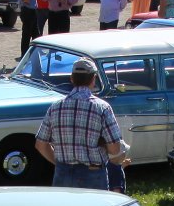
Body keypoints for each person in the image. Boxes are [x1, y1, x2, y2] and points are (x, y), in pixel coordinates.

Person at [34, 57, 123, 189]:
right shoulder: (102, 108)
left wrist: (60, 164)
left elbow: (40, 145)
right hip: (93, 174)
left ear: (72, 78)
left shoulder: (55, 107)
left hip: (63, 173)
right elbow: (115, 149)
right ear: (94, 79)